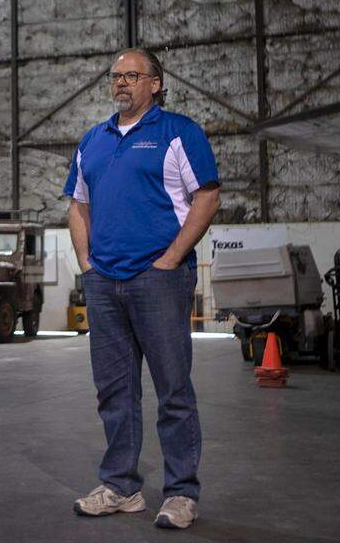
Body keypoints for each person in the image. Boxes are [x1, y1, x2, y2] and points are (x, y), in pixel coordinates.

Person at [63, 47, 221, 531]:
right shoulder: (93, 140)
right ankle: (121, 487)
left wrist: (171, 258)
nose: (122, 83)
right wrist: (88, 266)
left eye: (133, 75)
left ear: (156, 83)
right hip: (105, 283)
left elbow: (207, 196)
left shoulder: (178, 132)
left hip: (159, 279)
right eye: (116, 76)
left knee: (173, 389)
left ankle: (180, 493)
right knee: (114, 391)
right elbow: (78, 206)